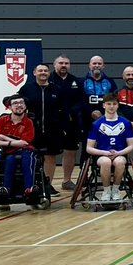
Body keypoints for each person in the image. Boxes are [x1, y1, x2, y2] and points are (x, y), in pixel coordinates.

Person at [19, 64, 64, 196]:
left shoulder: (56, 89)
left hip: (53, 129)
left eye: (45, 71)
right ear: (34, 73)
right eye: (40, 70)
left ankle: (47, 185)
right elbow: (18, 106)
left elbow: (63, 110)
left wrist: (62, 127)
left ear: (49, 73)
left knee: (50, 157)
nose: (43, 73)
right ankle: (32, 185)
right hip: (32, 130)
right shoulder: (26, 89)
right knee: (32, 157)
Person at [85, 93, 133, 201]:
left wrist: (119, 153)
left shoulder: (125, 123)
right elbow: (89, 148)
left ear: (118, 105)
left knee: (120, 162)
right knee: (105, 162)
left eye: (114, 104)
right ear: (104, 105)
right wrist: (105, 153)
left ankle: (116, 190)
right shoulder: (96, 124)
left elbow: (131, 145)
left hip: (119, 154)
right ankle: (106, 191)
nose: (111, 106)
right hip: (102, 155)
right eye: (108, 104)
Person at [0, 94, 38, 202]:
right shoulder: (3, 120)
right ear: (9, 107)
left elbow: (24, 143)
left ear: (25, 106)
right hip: (9, 152)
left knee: (28, 160)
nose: (19, 105)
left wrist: (4, 138)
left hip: (27, 150)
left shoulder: (28, 122)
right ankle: (6, 189)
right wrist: (11, 143)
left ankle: (29, 189)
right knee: (9, 160)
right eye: (15, 103)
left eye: (21, 103)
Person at [49, 55, 83, 190]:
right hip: (53, 122)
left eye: (66, 63)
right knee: (49, 153)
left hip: (71, 122)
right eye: (61, 63)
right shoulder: (48, 80)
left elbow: (81, 101)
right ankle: (48, 184)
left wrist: (70, 113)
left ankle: (67, 181)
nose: (64, 65)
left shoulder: (76, 81)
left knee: (70, 151)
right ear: (54, 64)